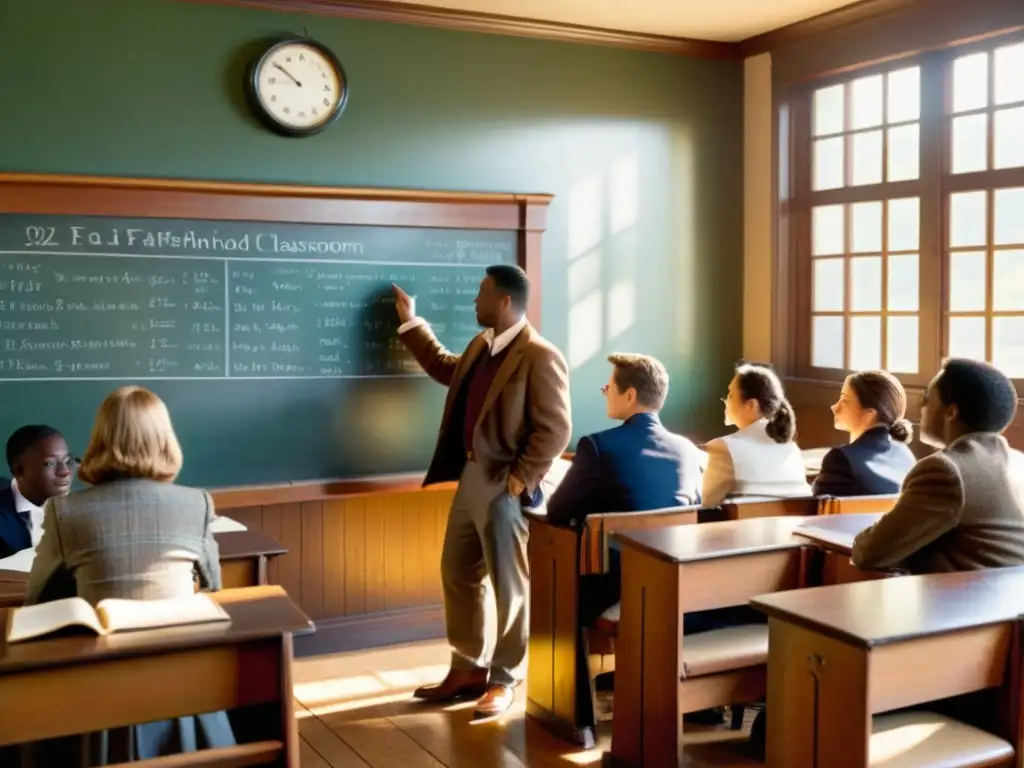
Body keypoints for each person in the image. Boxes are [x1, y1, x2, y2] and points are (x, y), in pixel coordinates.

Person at [392, 264, 571, 717]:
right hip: (471, 479)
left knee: (510, 585)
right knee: (458, 571)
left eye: (482, 292)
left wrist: (520, 479)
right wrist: (412, 322)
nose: (475, 300)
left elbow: (555, 429)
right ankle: (468, 667)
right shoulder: (481, 344)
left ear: (505, 300)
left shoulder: (539, 355)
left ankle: (505, 677)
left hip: (505, 485)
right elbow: (445, 368)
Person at [24, 386, 234, 763]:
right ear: (165, 440)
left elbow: (35, 603)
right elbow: (215, 591)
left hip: (98, 699)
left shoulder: (66, 512)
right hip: (186, 693)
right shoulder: (196, 503)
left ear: (99, 440)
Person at [852, 358, 1024, 573]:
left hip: (962, 603)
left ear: (951, 412)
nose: (920, 406)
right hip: (1007, 603)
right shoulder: (1017, 462)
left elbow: (869, 553)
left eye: (926, 400)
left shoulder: (946, 471)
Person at [547, 353, 702, 527]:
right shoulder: (688, 451)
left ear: (630, 395)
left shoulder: (597, 447)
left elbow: (557, 512)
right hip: (675, 552)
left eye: (609, 388)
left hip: (617, 553)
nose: (606, 394)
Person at [702, 362, 812, 507]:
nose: (725, 401)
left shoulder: (724, 448)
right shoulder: (791, 449)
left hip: (740, 529)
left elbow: (705, 505)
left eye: (730, 395)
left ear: (751, 405)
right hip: (789, 529)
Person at [812, 370, 916, 497]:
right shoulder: (906, 456)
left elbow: (818, 512)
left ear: (870, 414)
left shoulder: (841, 460)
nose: (834, 407)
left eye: (844, 400)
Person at [0, 425, 74, 557]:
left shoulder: (79, 515)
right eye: (50, 463)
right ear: (19, 470)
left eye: (68, 461)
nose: (65, 471)